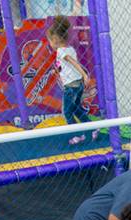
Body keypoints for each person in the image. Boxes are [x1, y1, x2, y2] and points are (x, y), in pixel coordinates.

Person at [46, 15, 96, 145]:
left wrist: (84, 74)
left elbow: (74, 63)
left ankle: (78, 135)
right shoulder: (70, 49)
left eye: (50, 41)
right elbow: (66, 65)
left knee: (67, 113)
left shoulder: (61, 51)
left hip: (71, 87)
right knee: (76, 109)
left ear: (55, 39)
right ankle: (93, 128)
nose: (50, 44)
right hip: (77, 85)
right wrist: (57, 70)